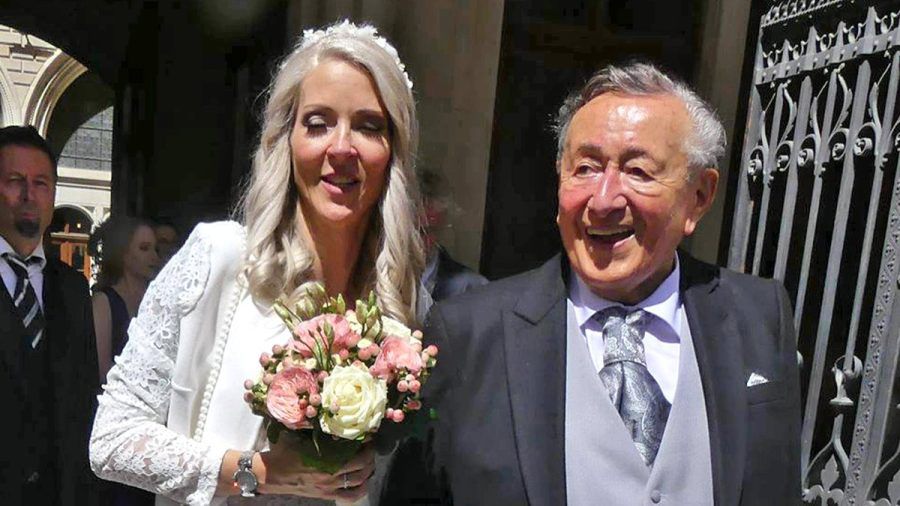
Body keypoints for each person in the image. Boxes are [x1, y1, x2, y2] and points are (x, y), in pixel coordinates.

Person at [383, 62, 801, 505]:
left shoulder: (758, 315)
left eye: (638, 172)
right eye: (585, 168)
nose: (603, 201)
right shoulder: (468, 333)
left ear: (699, 196)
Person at [89, 20, 425, 506]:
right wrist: (260, 471)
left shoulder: (400, 305)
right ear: (285, 141)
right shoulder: (220, 260)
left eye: (369, 126)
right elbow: (112, 440)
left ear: (393, 150)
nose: (342, 147)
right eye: (317, 123)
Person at [0, 125, 100, 504]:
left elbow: (84, 399)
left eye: (41, 183)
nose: (29, 195)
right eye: (15, 181)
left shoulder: (73, 288)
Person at [90, 215, 160, 383]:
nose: (154, 257)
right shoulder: (103, 302)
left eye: (155, 249)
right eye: (144, 248)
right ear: (123, 253)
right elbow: (102, 372)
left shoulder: (155, 302)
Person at [419, 170, 487, 301]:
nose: (420, 241)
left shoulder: (472, 289)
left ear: (444, 226)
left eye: (430, 230)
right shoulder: (373, 277)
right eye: (415, 229)